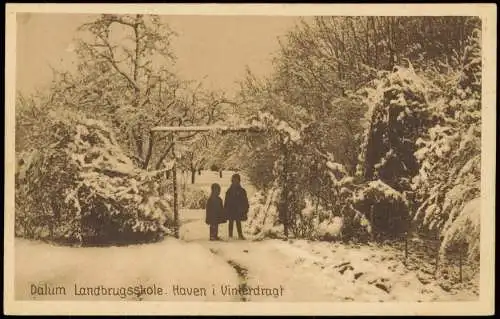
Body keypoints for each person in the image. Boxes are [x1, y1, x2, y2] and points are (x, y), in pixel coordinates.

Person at [224, 174, 249, 240]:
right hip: (231, 209)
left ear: (239, 181)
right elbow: (226, 200)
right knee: (231, 222)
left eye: (237, 180)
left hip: (238, 209)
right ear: (232, 181)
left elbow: (245, 200)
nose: (235, 181)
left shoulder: (242, 190)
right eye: (234, 180)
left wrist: (245, 207)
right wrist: (225, 209)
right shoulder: (229, 191)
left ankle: (240, 235)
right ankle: (230, 235)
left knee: (238, 221)